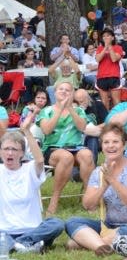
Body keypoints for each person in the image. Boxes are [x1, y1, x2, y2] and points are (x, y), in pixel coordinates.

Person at [65, 124, 127, 256]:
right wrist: (104, 185)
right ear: (102, 146)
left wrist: (113, 180)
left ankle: (89, 243)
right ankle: (103, 246)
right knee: (72, 222)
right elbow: (87, 205)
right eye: (106, 142)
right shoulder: (98, 172)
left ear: (124, 145)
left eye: (115, 142)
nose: (110, 146)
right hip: (107, 225)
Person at [0, 113, 65, 253]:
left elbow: (40, 160)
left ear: (22, 153)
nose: (10, 153)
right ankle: (28, 245)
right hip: (5, 232)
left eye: (14, 149)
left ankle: (21, 243)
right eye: (6, 149)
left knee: (56, 224)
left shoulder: (30, 169)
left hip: (33, 229)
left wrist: (27, 131)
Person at [37, 81, 95, 214]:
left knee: (87, 154)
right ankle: (55, 198)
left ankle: (88, 196)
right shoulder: (47, 111)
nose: (64, 92)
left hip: (76, 147)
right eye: (61, 89)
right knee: (66, 156)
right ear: (55, 93)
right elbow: (46, 130)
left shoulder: (79, 110)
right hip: (52, 150)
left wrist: (70, 109)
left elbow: (82, 128)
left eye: (67, 90)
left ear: (72, 94)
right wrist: (59, 110)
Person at [95, 28, 124, 110]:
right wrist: (105, 47)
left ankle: (118, 118)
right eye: (104, 36)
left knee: (116, 100)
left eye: (108, 36)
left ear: (113, 38)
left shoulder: (118, 47)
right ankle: (106, 120)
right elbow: (98, 59)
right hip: (101, 76)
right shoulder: (99, 48)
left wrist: (109, 46)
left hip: (114, 75)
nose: (105, 37)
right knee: (104, 101)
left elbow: (114, 59)